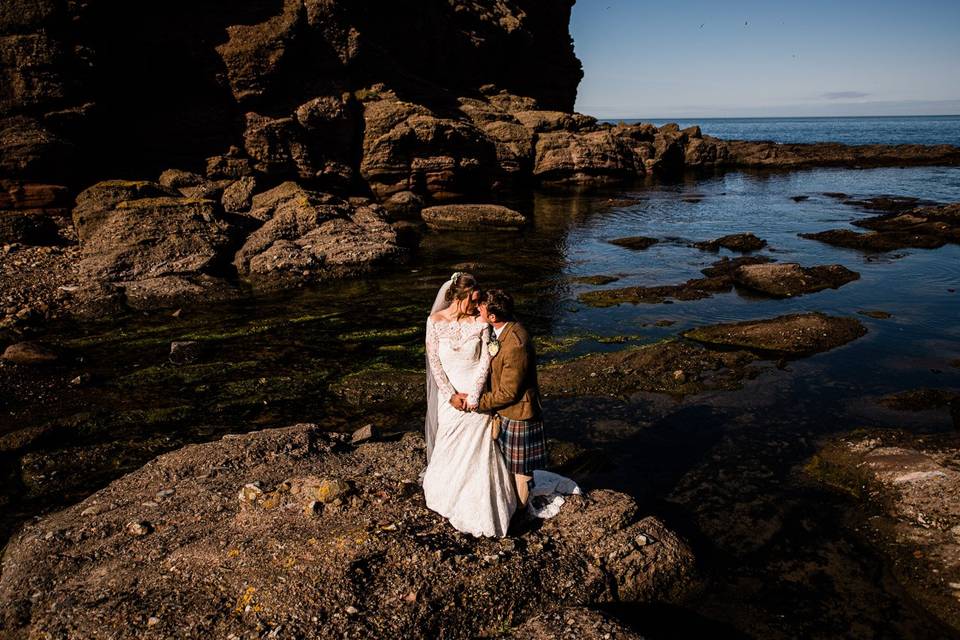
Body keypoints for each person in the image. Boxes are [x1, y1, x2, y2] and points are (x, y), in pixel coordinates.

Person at [421, 273, 517, 537]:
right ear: (459, 296)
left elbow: (487, 359)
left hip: (475, 395)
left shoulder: (480, 323)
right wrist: (450, 394)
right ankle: (447, 494)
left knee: (480, 447)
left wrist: (474, 395)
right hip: (449, 396)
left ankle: (483, 507)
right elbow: (435, 363)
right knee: (449, 442)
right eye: (474, 300)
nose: (478, 305)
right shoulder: (434, 321)